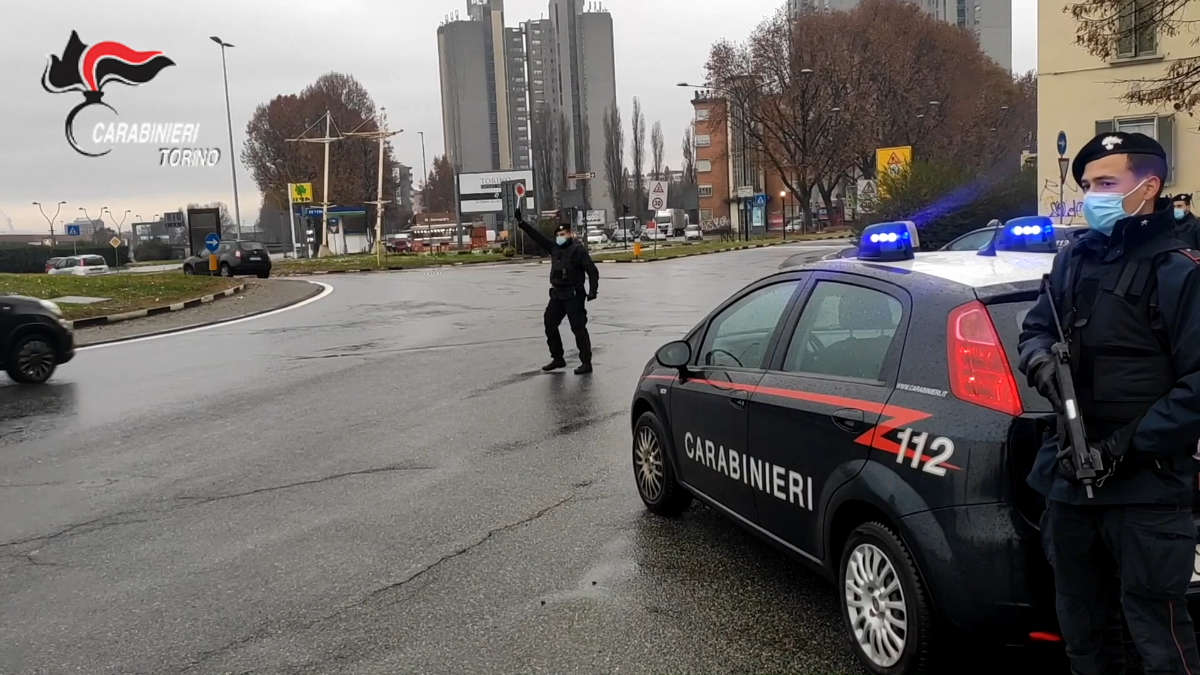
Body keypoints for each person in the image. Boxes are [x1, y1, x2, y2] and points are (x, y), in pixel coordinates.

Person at [1017, 131, 1200, 675]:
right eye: (1088, 185)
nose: (1091, 196)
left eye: (1105, 183)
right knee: (1084, 635)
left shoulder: (1180, 269)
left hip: (1148, 489)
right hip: (1070, 481)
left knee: (1158, 637)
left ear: (1148, 187)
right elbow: (1036, 329)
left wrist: (1127, 445)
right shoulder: (1077, 260)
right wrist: (1040, 362)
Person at [516, 211, 599, 374]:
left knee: (578, 328)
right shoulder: (554, 248)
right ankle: (558, 358)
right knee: (549, 322)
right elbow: (537, 237)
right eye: (558, 235)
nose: (560, 237)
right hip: (558, 294)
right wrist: (522, 222)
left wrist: (593, 291)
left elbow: (592, 271)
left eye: (563, 234)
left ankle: (586, 362)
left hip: (574, 294)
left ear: (569, 234)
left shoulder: (577, 250)